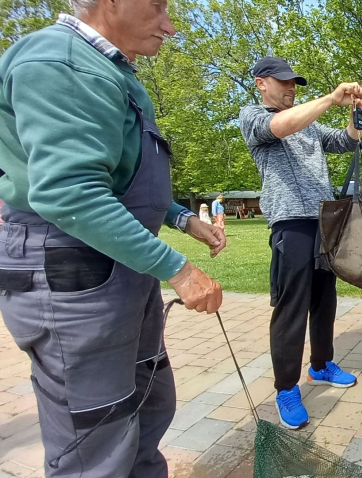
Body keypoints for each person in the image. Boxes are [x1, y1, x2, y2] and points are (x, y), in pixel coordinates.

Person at [0, 2, 225, 476]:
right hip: (73, 271)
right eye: (158, 6)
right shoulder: (59, 62)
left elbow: (118, 179)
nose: (170, 25)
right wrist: (178, 268)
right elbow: (70, 192)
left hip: (120, 265)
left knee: (148, 400)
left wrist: (182, 219)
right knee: (97, 440)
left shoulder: (108, 67)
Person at [239, 57, 362, 430]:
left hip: (324, 225)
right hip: (291, 227)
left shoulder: (309, 126)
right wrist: (331, 98)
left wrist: (355, 112)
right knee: (291, 309)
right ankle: (285, 389)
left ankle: (321, 365)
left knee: (325, 301)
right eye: (284, 82)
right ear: (262, 83)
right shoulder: (254, 117)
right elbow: (280, 127)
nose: (292, 88)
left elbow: (346, 141)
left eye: (295, 83)